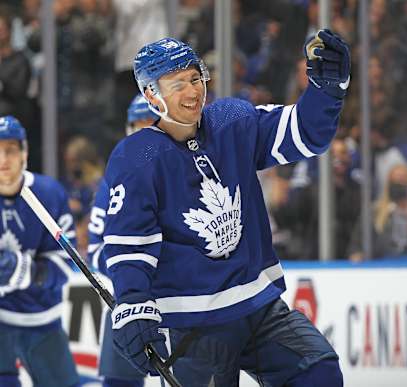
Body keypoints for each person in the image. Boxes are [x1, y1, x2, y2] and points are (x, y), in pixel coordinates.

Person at [103, 31, 350, 386]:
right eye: (177, 85)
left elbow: (304, 132)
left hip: (259, 308)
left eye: (194, 78)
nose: (192, 92)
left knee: (319, 372)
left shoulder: (231, 121)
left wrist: (326, 92)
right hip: (192, 326)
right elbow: (130, 248)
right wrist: (133, 304)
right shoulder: (137, 156)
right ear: (151, 95)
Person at [0, 116, 79, 387]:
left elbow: (66, 264)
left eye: (10, 149)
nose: (3, 159)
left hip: (43, 321)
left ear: (24, 152)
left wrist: (22, 271)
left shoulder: (49, 194)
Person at [88, 94, 156, 387]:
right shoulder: (113, 181)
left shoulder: (186, 171)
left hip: (186, 300)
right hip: (129, 301)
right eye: (137, 126)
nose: (143, 134)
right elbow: (94, 252)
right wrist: (130, 267)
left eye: (149, 124)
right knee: (119, 381)